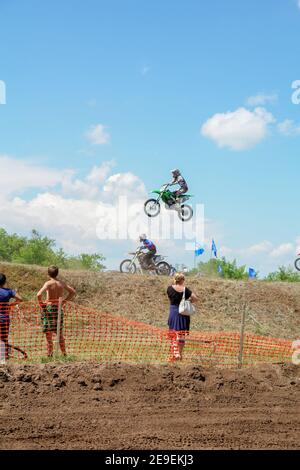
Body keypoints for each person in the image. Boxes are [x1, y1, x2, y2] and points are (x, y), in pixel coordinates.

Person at [37, 266, 76, 357]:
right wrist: (64, 302)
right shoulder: (61, 283)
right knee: (59, 332)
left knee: (48, 333)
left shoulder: (48, 283)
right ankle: (64, 354)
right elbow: (73, 292)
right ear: (57, 273)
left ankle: (50, 354)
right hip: (58, 308)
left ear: (48, 273)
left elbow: (38, 294)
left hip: (49, 307)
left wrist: (42, 304)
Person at [167, 272, 197, 361]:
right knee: (181, 336)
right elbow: (195, 298)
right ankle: (180, 354)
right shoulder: (185, 290)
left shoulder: (169, 288)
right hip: (183, 314)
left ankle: (175, 354)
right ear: (182, 280)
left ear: (175, 279)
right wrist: (188, 301)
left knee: (173, 334)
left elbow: (170, 298)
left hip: (173, 312)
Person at [0, 273, 22, 362]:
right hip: (4, 319)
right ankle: (3, 358)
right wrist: (10, 305)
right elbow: (20, 299)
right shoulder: (9, 291)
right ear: (5, 282)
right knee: (4, 338)